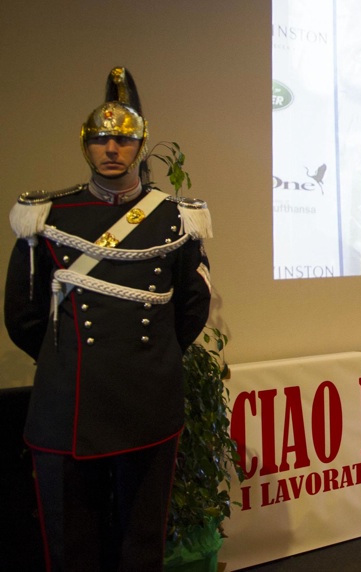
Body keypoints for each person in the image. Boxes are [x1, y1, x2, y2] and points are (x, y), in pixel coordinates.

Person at [4, 67, 213, 570]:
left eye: (122, 139)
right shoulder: (47, 215)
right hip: (68, 402)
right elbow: (24, 315)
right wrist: (69, 359)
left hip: (146, 397)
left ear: (140, 145)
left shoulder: (175, 217)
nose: (111, 148)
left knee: (141, 544)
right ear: (87, 146)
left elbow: (189, 309)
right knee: (70, 544)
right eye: (101, 139)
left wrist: (146, 359)